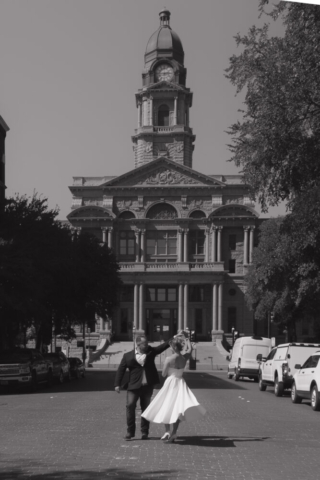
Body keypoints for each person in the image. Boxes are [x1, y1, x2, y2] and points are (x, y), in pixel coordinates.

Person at [114, 333, 183, 441]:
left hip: (147, 386)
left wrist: (173, 338)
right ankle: (130, 432)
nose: (147, 345)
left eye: (147, 343)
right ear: (138, 344)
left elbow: (162, 347)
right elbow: (121, 370)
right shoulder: (127, 356)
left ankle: (144, 432)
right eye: (144, 344)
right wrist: (117, 384)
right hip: (133, 387)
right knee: (130, 406)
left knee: (145, 409)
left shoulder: (151, 351)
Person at [141, 334, 206, 443]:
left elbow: (163, 374)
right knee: (177, 409)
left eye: (171, 345)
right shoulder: (184, 357)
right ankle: (174, 432)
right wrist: (187, 339)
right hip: (180, 382)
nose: (170, 347)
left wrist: (165, 366)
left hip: (171, 382)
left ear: (174, 347)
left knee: (167, 405)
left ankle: (167, 431)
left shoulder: (169, 358)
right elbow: (190, 349)